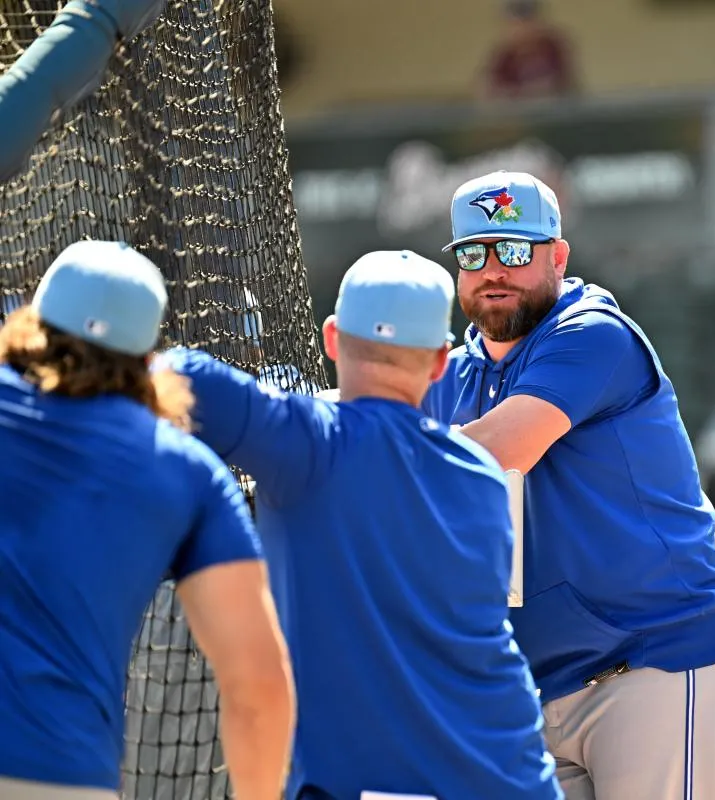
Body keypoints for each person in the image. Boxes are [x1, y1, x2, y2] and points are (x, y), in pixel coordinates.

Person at [159, 249, 561, 800]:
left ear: (331, 338)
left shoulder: (308, 442)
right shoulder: (484, 476)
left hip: (380, 788)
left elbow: (182, 373)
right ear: (441, 360)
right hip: (513, 776)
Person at [422, 170, 715, 800]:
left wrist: (355, 452)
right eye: (474, 253)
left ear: (557, 256)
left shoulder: (590, 332)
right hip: (548, 689)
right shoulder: (457, 371)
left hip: (662, 664)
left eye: (516, 251)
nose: (494, 269)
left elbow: (499, 450)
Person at [0, 240, 295, 800]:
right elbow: (258, 684)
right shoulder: (187, 472)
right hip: (55, 772)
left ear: (33, 322)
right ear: (146, 354)